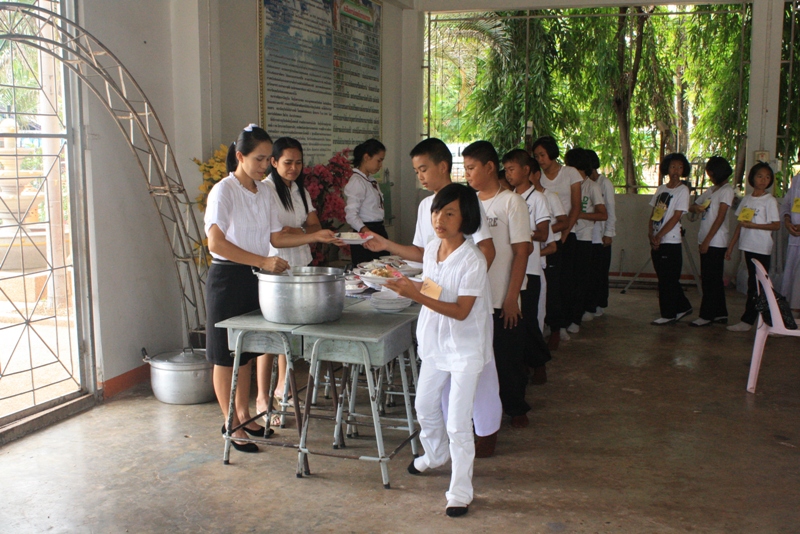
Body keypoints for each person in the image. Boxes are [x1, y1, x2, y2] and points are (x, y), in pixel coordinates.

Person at [204, 124, 341, 452]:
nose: (265, 166)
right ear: (240, 157)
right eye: (259, 159)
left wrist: (314, 236)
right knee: (225, 356)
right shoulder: (224, 190)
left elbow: (276, 237)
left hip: (254, 276)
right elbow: (216, 243)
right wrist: (261, 261)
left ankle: (244, 414)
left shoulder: (264, 192)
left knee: (245, 353)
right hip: (227, 278)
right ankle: (230, 422)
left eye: (268, 159)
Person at [364, 137, 501, 457]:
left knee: (478, 371)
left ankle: (486, 433)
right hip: (436, 297)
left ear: (443, 166)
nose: (420, 176)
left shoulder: (465, 201)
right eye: (416, 171)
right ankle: (450, 439)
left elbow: (487, 249)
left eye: (424, 169)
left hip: (466, 301)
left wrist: (465, 288)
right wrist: (387, 246)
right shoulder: (426, 205)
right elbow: (421, 253)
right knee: (441, 372)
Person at [386, 183, 492, 518]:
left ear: (466, 218)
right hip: (435, 342)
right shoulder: (432, 249)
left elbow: (461, 310)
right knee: (425, 406)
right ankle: (434, 455)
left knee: (459, 423)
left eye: (449, 213)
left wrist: (415, 295)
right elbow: (435, 288)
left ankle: (460, 491)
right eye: (436, 212)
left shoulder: (473, 259)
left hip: (465, 349)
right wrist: (407, 285)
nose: (439, 220)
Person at [463, 140, 533, 428]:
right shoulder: (469, 202)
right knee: (480, 359)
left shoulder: (511, 202)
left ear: (489, 167)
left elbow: (522, 251)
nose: (467, 174)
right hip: (475, 295)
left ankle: (516, 408)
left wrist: (511, 297)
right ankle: (483, 412)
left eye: (471, 168)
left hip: (503, 295)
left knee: (507, 358)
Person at [260, 137, 322, 424]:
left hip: (301, 264)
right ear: (273, 162)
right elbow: (276, 237)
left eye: (298, 162)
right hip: (276, 266)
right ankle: (262, 398)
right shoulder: (267, 190)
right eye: (287, 162)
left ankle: (282, 387)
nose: (294, 168)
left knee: (291, 331)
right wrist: (305, 232)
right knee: (271, 335)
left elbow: (315, 225)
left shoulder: (299, 190)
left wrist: (296, 231)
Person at [502, 148, 551, 384]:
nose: (508, 174)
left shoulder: (538, 199)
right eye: (506, 170)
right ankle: (520, 364)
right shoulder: (507, 198)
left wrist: (522, 233)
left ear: (526, 170)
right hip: (510, 269)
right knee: (514, 322)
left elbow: (543, 233)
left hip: (530, 268)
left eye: (512, 169)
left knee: (529, 320)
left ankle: (539, 363)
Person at [531, 136, 582, 341]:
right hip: (546, 236)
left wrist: (565, 233)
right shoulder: (538, 177)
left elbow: (576, 206)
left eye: (542, 155)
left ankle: (567, 321)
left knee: (566, 281)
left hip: (566, 233)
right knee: (549, 284)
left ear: (552, 153)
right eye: (537, 156)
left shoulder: (570, 173)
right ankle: (548, 322)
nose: (540, 159)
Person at [726, 162, 781, 332]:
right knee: (754, 284)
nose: (764, 180)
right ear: (752, 178)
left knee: (759, 285)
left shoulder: (769, 200)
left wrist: (754, 226)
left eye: (767, 177)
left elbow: (776, 225)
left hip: (761, 247)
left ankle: (762, 321)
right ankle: (758, 320)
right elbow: (740, 224)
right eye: (760, 176)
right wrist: (731, 246)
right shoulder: (748, 199)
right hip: (748, 246)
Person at [563, 148, 607, 333]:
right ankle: (564, 319)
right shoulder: (568, 184)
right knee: (567, 280)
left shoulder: (592, 186)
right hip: (568, 235)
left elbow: (603, 214)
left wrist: (579, 214)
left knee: (580, 281)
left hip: (584, 238)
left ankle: (576, 319)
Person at [687, 156, 734, 327]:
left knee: (709, 279)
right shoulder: (712, 190)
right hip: (706, 237)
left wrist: (707, 240)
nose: (710, 177)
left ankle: (706, 315)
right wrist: (696, 208)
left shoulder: (727, 190)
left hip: (716, 241)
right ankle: (720, 312)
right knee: (713, 278)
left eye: (711, 174)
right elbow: (692, 206)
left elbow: (720, 218)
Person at [648, 153, 693, 325]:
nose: (676, 170)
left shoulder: (683, 190)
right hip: (657, 238)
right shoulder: (661, 189)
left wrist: (660, 235)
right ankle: (683, 306)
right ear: (667, 168)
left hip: (670, 239)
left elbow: (676, 216)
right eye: (673, 167)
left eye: (680, 167)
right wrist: (651, 233)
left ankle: (668, 314)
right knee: (665, 277)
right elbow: (653, 213)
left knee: (668, 279)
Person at [529, 157, 568, 349]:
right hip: (531, 251)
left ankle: (556, 329)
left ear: (536, 175)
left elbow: (563, 221)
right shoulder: (517, 197)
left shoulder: (548, 196)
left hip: (549, 248)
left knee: (551, 290)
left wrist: (544, 230)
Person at [344, 139, 387, 265]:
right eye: (379, 160)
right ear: (367, 157)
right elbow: (351, 215)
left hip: (378, 228)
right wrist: (367, 233)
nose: (380, 165)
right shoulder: (357, 181)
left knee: (382, 268)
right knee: (367, 269)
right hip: (365, 232)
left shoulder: (370, 180)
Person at [585, 149, 616, 318]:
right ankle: (589, 302)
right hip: (588, 234)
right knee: (590, 272)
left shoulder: (605, 183)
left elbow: (610, 209)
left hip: (601, 234)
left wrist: (609, 232)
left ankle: (599, 303)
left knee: (600, 272)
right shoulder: (584, 184)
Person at [780, 163, 800, 315]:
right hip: (795, 238)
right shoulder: (797, 179)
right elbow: (787, 204)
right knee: (793, 277)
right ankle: (792, 315)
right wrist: (787, 220)